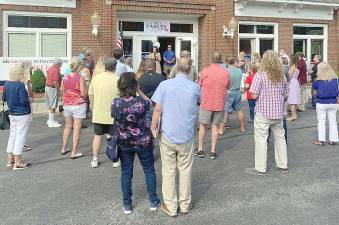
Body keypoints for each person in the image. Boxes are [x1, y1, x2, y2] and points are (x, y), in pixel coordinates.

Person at [151, 57, 200, 217]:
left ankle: (171, 206)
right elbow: (199, 102)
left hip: (168, 133)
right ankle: (185, 204)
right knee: (185, 169)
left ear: (176, 68)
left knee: (169, 170)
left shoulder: (164, 85)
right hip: (186, 134)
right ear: (190, 70)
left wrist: (153, 127)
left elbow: (157, 109)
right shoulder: (195, 87)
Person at [111, 72, 160, 215]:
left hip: (125, 143)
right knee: (149, 170)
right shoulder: (141, 102)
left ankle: (127, 205)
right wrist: (139, 90)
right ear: (135, 85)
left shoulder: (116, 103)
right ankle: (153, 201)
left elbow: (113, 116)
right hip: (143, 141)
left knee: (126, 173)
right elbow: (150, 103)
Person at [245, 50, 288, 176]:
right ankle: (282, 164)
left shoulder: (260, 75)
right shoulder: (282, 76)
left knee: (261, 139)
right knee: (280, 138)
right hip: (278, 113)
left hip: (263, 112)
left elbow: (253, 94)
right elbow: (286, 94)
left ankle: (260, 168)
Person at [197, 52, 230, 160]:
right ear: (220, 60)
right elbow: (227, 86)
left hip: (206, 102)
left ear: (211, 59)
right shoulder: (225, 72)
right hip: (219, 102)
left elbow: (199, 86)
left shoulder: (204, 71)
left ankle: (200, 149)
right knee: (215, 126)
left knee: (202, 126)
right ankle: (213, 151)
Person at [88, 58, 120, 168]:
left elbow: (90, 94)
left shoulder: (96, 79)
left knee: (97, 136)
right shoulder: (117, 79)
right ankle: (114, 159)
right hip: (113, 114)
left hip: (98, 113)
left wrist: (92, 106)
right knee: (112, 137)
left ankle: (95, 159)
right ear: (115, 67)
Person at [3, 65, 32, 170]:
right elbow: (24, 101)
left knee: (13, 135)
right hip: (22, 113)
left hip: (12, 113)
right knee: (20, 137)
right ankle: (18, 162)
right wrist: (29, 100)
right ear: (20, 74)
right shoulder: (20, 85)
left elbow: (4, 98)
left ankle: (10, 159)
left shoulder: (7, 84)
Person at [60, 57, 88, 159]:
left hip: (67, 104)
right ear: (79, 66)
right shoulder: (80, 78)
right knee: (76, 129)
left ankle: (63, 148)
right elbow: (84, 93)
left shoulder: (65, 77)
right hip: (78, 105)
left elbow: (62, 90)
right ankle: (74, 151)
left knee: (67, 126)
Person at [312, 62, 339, 146]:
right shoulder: (336, 80)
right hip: (333, 102)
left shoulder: (318, 80)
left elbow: (314, 88)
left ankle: (321, 140)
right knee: (333, 121)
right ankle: (333, 139)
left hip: (321, 102)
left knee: (321, 121)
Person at [223, 57, 246, 133]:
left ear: (227, 62)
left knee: (225, 110)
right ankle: (242, 127)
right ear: (234, 62)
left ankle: (221, 129)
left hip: (229, 92)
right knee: (239, 110)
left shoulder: (226, 72)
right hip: (237, 92)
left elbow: (225, 83)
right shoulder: (240, 71)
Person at [45, 58, 63, 127]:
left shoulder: (50, 68)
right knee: (53, 105)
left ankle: (50, 120)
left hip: (48, 87)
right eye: (60, 64)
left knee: (50, 104)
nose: (61, 66)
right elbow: (56, 82)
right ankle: (51, 122)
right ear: (58, 64)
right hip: (52, 88)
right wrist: (58, 90)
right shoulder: (56, 70)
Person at [287, 54, 301, 121]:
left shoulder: (292, 67)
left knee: (292, 100)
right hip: (295, 82)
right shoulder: (297, 66)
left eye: (290, 58)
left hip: (292, 82)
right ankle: (294, 114)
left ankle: (293, 115)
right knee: (294, 99)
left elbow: (289, 76)